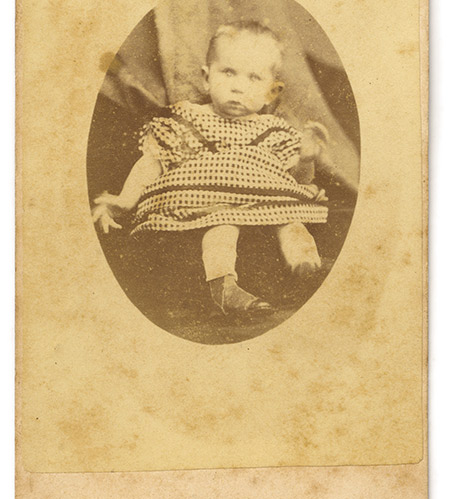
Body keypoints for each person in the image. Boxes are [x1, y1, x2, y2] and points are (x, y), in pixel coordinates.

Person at [92, 21, 329, 316]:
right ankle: (223, 287)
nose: (238, 86)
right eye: (228, 72)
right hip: (207, 199)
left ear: (271, 91)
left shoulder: (273, 129)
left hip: (262, 201)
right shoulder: (187, 118)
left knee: (292, 222)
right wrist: (125, 200)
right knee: (222, 223)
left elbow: (293, 184)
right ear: (206, 78)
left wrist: (306, 158)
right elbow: (153, 161)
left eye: (254, 78)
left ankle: (306, 269)